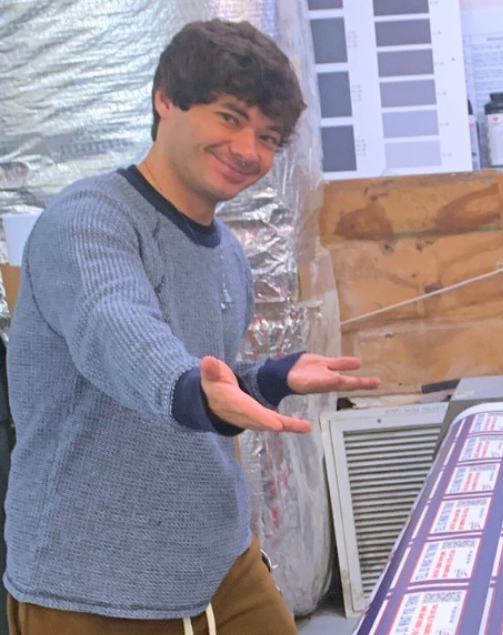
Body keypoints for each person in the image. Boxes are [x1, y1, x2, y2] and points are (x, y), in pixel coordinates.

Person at [3, 18, 380, 635]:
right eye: (229, 117)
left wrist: (266, 378)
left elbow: (205, 382)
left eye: (267, 137)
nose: (249, 151)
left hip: (219, 565)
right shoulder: (88, 220)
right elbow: (120, 331)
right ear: (166, 100)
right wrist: (193, 388)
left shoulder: (227, 252)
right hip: (93, 586)